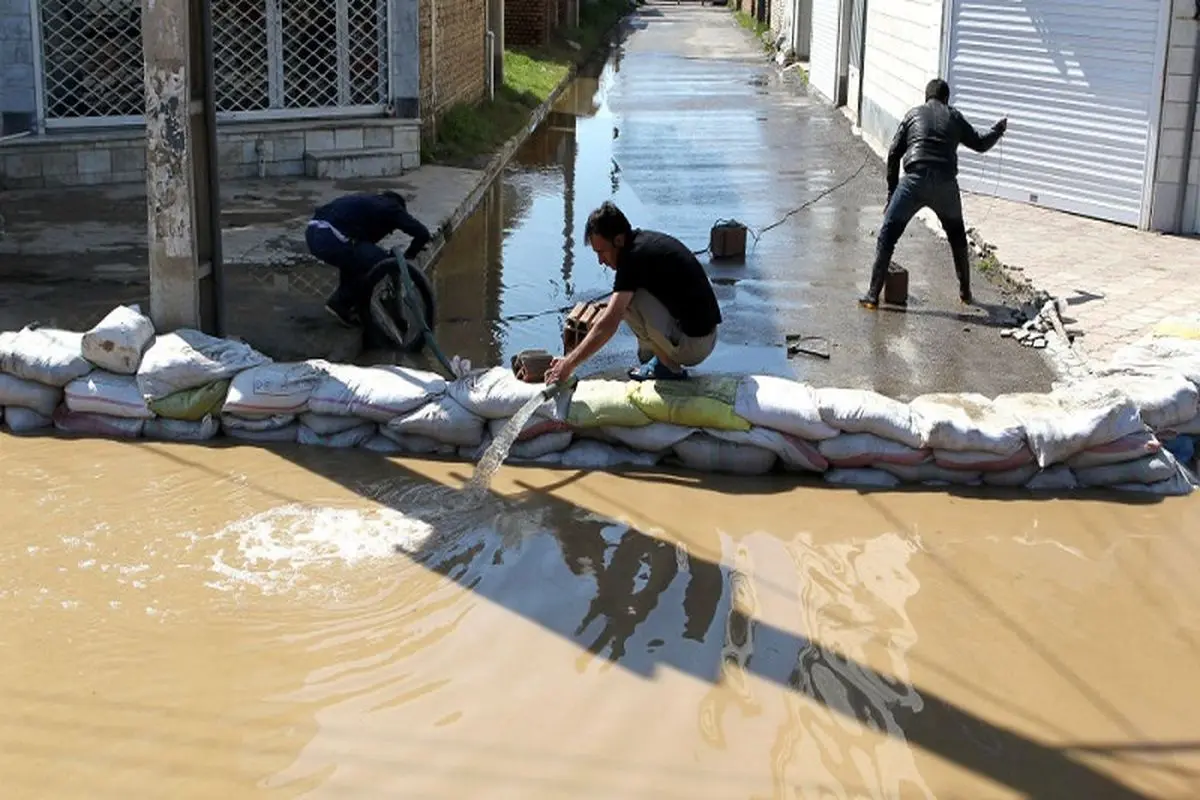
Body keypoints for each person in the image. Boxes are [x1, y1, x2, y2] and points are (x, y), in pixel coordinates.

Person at [859, 78, 1007, 309]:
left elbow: (893, 153)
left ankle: (872, 296)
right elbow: (979, 143)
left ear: (926, 97)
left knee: (887, 236)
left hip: (913, 182)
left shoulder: (912, 115)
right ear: (946, 98)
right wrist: (997, 131)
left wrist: (892, 192)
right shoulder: (954, 116)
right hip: (946, 185)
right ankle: (965, 293)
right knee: (957, 238)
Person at [544, 201, 722, 385]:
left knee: (626, 303)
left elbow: (609, 323)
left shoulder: (633, 259)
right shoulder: (642, 245)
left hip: (693, 345)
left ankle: (665, 366)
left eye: (602, 252)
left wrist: (569, 364)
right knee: (623, 300)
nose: (600, 261)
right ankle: (661, 361)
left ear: (618, 240)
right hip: (705, 338)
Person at [305, 190, 432, 327]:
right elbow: (423, 233)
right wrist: (408, 257)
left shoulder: (370, 203)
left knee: (357, 258)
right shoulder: (392, 208)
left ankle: (351, 304)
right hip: (328, 235)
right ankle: (341, 303)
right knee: (381, 262)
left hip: (314, 232)